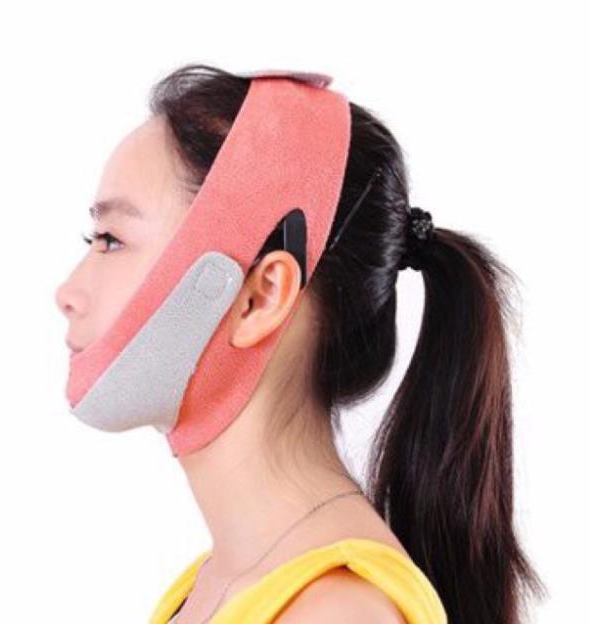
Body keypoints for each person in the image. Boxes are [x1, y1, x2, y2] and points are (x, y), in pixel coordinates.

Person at [55, 64, 546, 624]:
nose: (66, 293)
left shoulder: (336, 612)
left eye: (111, 240)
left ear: (259, 297)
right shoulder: (211, 585)